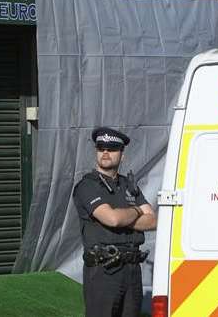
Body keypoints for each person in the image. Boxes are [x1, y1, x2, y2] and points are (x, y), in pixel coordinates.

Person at [72, 127, 157, 317]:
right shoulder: (88, 186)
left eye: (111, 149)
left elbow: (152, 220)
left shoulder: (129, 185)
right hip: (104, 271)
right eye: (101, 147)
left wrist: (121, 217)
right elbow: (112, 219)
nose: (105, 152)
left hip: (132, 270)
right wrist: (136, 210)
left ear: (122, 155)